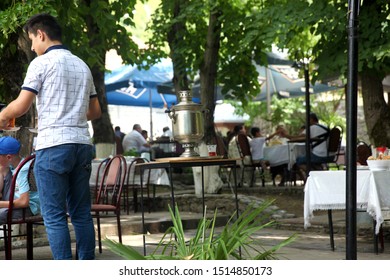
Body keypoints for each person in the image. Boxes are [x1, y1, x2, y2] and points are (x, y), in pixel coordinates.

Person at [0, 13, 101, 260]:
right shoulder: (82, 64)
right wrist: (70, 113)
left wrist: (2, 116)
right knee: (81, 214)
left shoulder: (41, 63)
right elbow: (95, 111)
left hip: (53, 146)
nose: (32, 47)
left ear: (41, 34)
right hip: (81, 145)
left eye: (32, 40)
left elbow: (21, 106)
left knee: (54, 215)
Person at [0, 137, 40, 224]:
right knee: (2, 168)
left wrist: (1, 204)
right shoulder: (10, 166)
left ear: (9, 157)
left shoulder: (23, 170)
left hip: (27, 208)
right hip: (12, 202)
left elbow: (24, 202)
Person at [280, 113, 331, 181]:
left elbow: (299, 137)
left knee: (299, 160)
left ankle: (315, 176)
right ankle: (319, 173)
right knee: (309, 158)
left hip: (320, 155)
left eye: (307, 120)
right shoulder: (326, 127)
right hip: (331, 155)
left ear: (311, 119)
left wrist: (287, 136)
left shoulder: (312, 128)